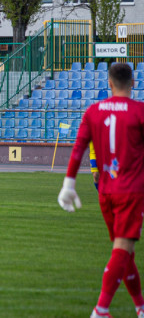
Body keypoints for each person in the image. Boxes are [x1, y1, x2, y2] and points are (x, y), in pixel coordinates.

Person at [59, 61, 144, 318]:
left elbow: (78, 149)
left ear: (109, 82)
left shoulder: (93, 111)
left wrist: (68, 184)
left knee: (124, 252)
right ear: (133, 83)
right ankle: (100, 310)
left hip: (105, 192)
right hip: (131, 191)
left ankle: (140, 307)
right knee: (122, 249)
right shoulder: (140, 112)